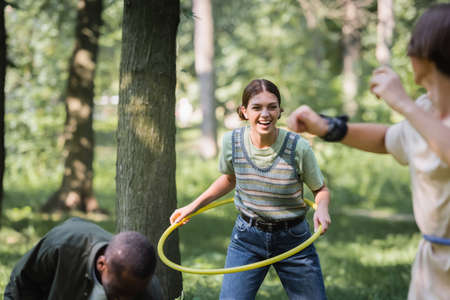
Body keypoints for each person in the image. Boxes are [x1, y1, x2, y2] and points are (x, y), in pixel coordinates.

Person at [287, 4, 450, 299]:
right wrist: (326, 127)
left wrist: (403, 103)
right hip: (432, 263)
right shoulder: (425, 110)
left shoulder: (417, 111)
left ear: (424, 53)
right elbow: (387, 138)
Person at [170, 79, 331, 300]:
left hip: (293, 238)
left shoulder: (297, 147)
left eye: (272, 107)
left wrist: (322, 208)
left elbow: (320, 189)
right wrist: (192, 207)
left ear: (279, 111)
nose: (265, 114)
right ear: (244, 111)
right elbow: (229, 179)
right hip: (247, 238)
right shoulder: (232, 142)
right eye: (257, 107)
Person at [4, 217, 163, 300]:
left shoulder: (150, 291)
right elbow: (22, 283)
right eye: (120, 292)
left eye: (134, 295)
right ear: (102, 265)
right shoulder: (63, 246)